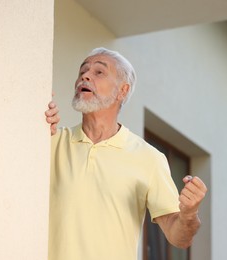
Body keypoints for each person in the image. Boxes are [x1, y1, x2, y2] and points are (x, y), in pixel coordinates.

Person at [45, 47, 207, 260]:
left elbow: (179, 238)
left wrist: (189, 213)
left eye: (99, 72)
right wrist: (35, 117)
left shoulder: (149, 158)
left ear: (122, 90)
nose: (85, 76)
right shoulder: (51, 141)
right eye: (82, 71)